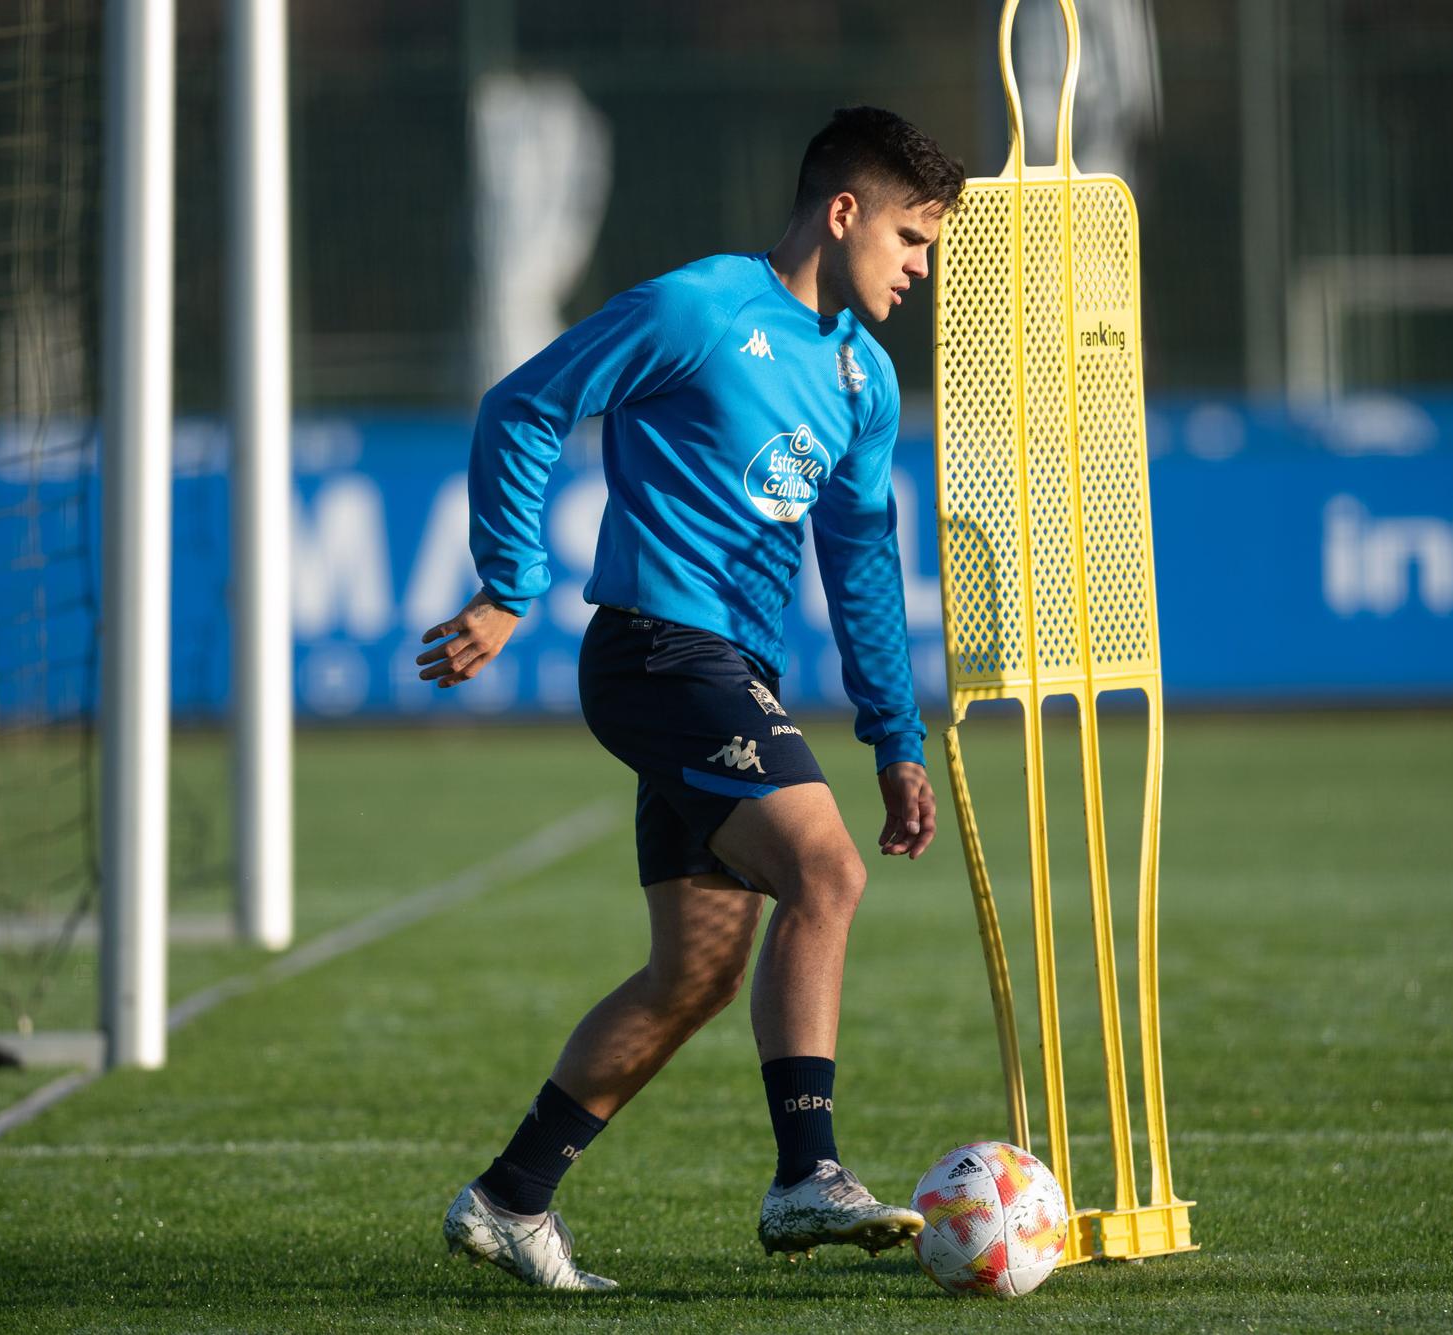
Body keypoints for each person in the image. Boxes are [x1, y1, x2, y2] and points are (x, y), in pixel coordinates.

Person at [416, 106, 964, 1292]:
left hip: (728, 678)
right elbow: (524, 403)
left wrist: (893, 739)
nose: (923, 268)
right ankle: (805, 1178)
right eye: (913, 240)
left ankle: (511, 1200)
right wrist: (510, 586)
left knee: (696, 976)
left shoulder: (860, 379)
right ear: (843, 213)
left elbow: (860, 559)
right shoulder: (699, 309)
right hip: (658, 655)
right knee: (826, 872)